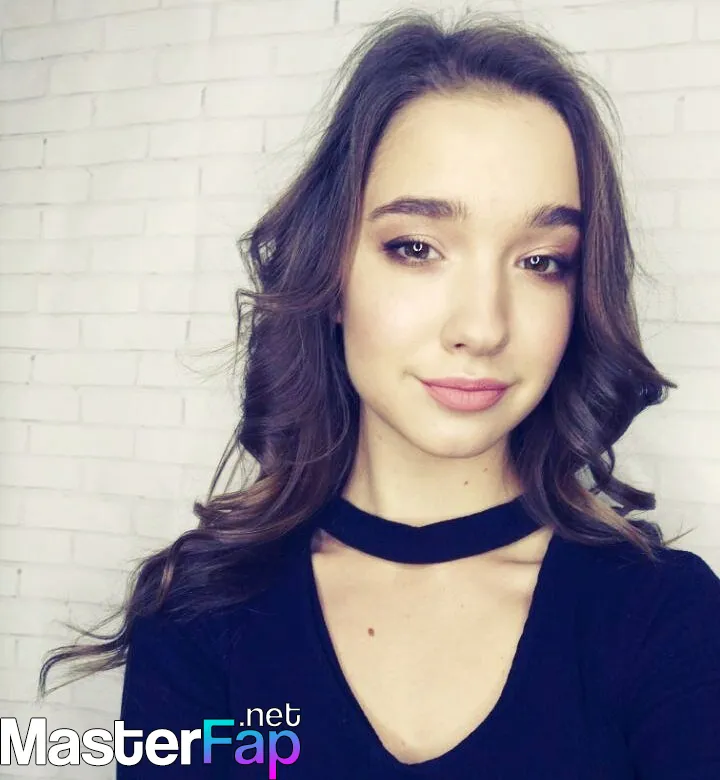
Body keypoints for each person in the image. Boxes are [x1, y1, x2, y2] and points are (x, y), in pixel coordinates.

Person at [39, 9, 720, 779]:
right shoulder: (200, 614)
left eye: (541, 261)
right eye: (416, 248)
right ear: (332, 274)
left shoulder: (666, 617)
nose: (482, 327)